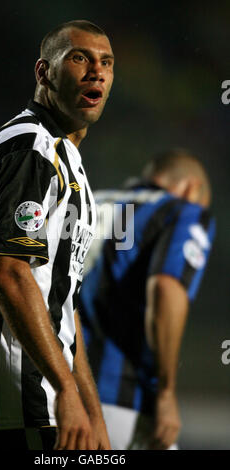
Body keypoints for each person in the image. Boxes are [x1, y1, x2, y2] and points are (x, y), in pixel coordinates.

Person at [0, 20, 114, 451]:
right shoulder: (29, 146)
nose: (97, 71)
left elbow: (62, 303)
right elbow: (10, 274)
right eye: (80, 58)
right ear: (43, 73)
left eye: (106, 62)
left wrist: (91, 410)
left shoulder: (64, 156)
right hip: (13, 406)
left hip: (45, 400)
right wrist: (66, 392)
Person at [79, 149, 216, 450]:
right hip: (120, 399)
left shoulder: (88, 202)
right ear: (192, 188)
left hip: (54, 394)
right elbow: (167, 288)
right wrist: (166, 392)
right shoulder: (183, 211)